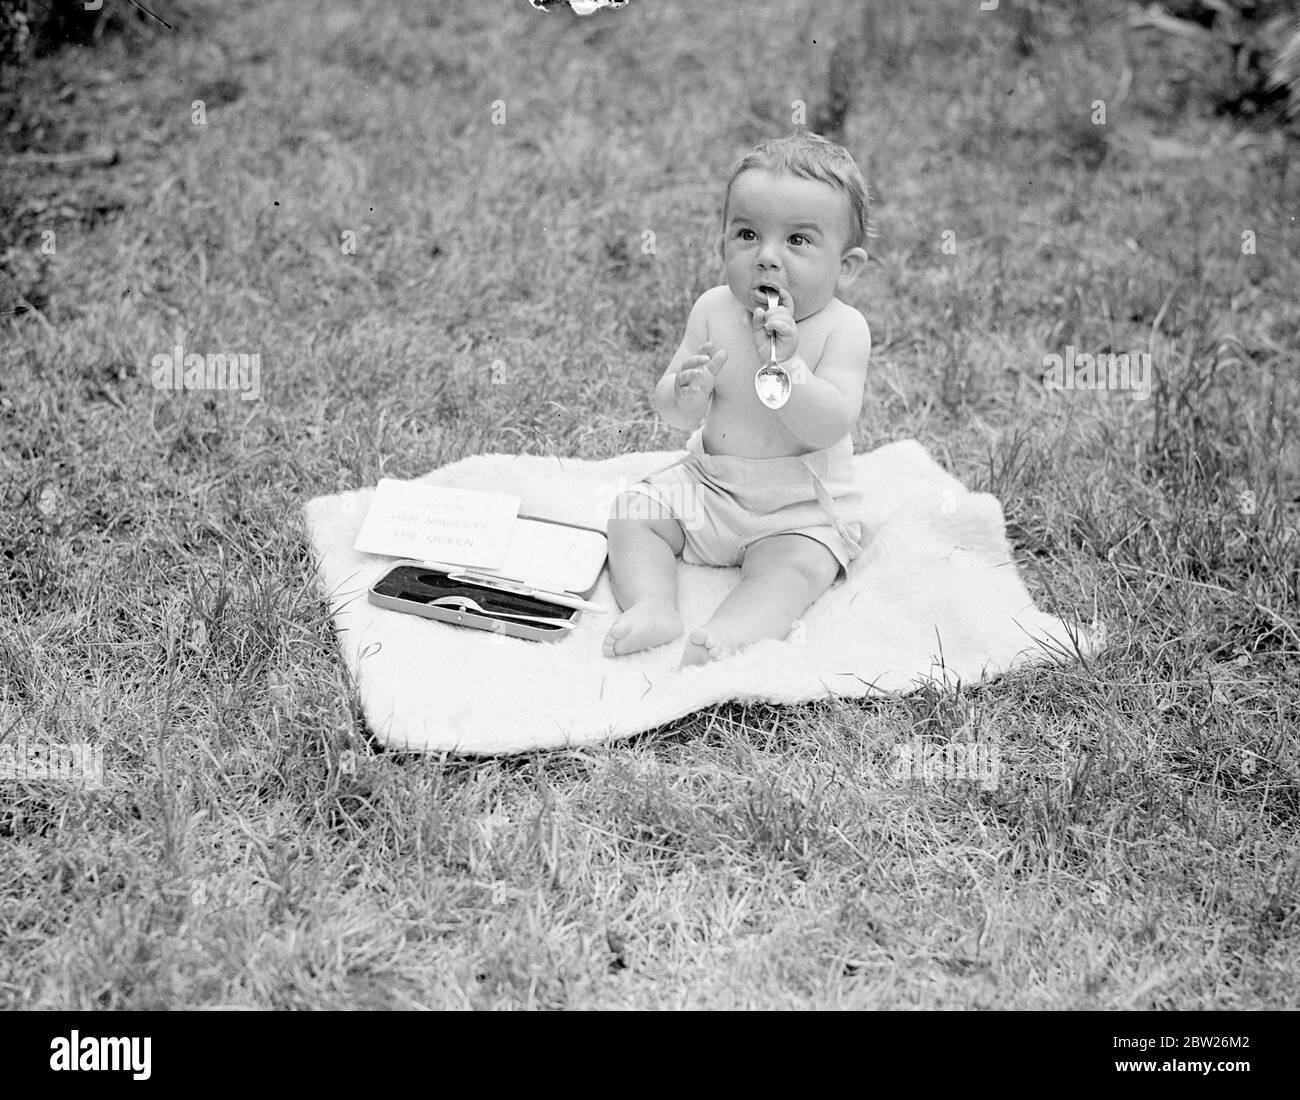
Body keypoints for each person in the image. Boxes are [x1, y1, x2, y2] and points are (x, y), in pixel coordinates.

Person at [603, 131, 872, 666]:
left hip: (798, 507)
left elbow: (830, 424)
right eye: (748, 234)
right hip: (712, 486)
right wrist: (685, 393)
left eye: (797, 240)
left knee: (793, 569)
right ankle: (655, 604)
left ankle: (727, 636)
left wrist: (790, 367)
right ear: (722, 243)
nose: (767, 258)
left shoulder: (843, 329)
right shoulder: (713, 309)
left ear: (848, 266)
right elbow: (670, 407)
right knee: (632, 511)